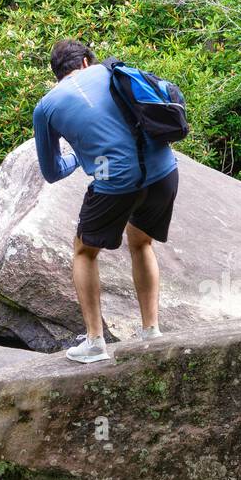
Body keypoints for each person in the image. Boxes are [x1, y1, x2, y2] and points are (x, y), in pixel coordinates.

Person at [32, 39, 181, 363]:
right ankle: (151, 332)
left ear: (58, 74)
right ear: (86, 61)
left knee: (84, 251)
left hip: (116, 182)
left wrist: (78, 158)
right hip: (164, 172)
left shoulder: (46, 107)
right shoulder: (113, 71)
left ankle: (95, 342)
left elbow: (53, 172)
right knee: (141, 242)